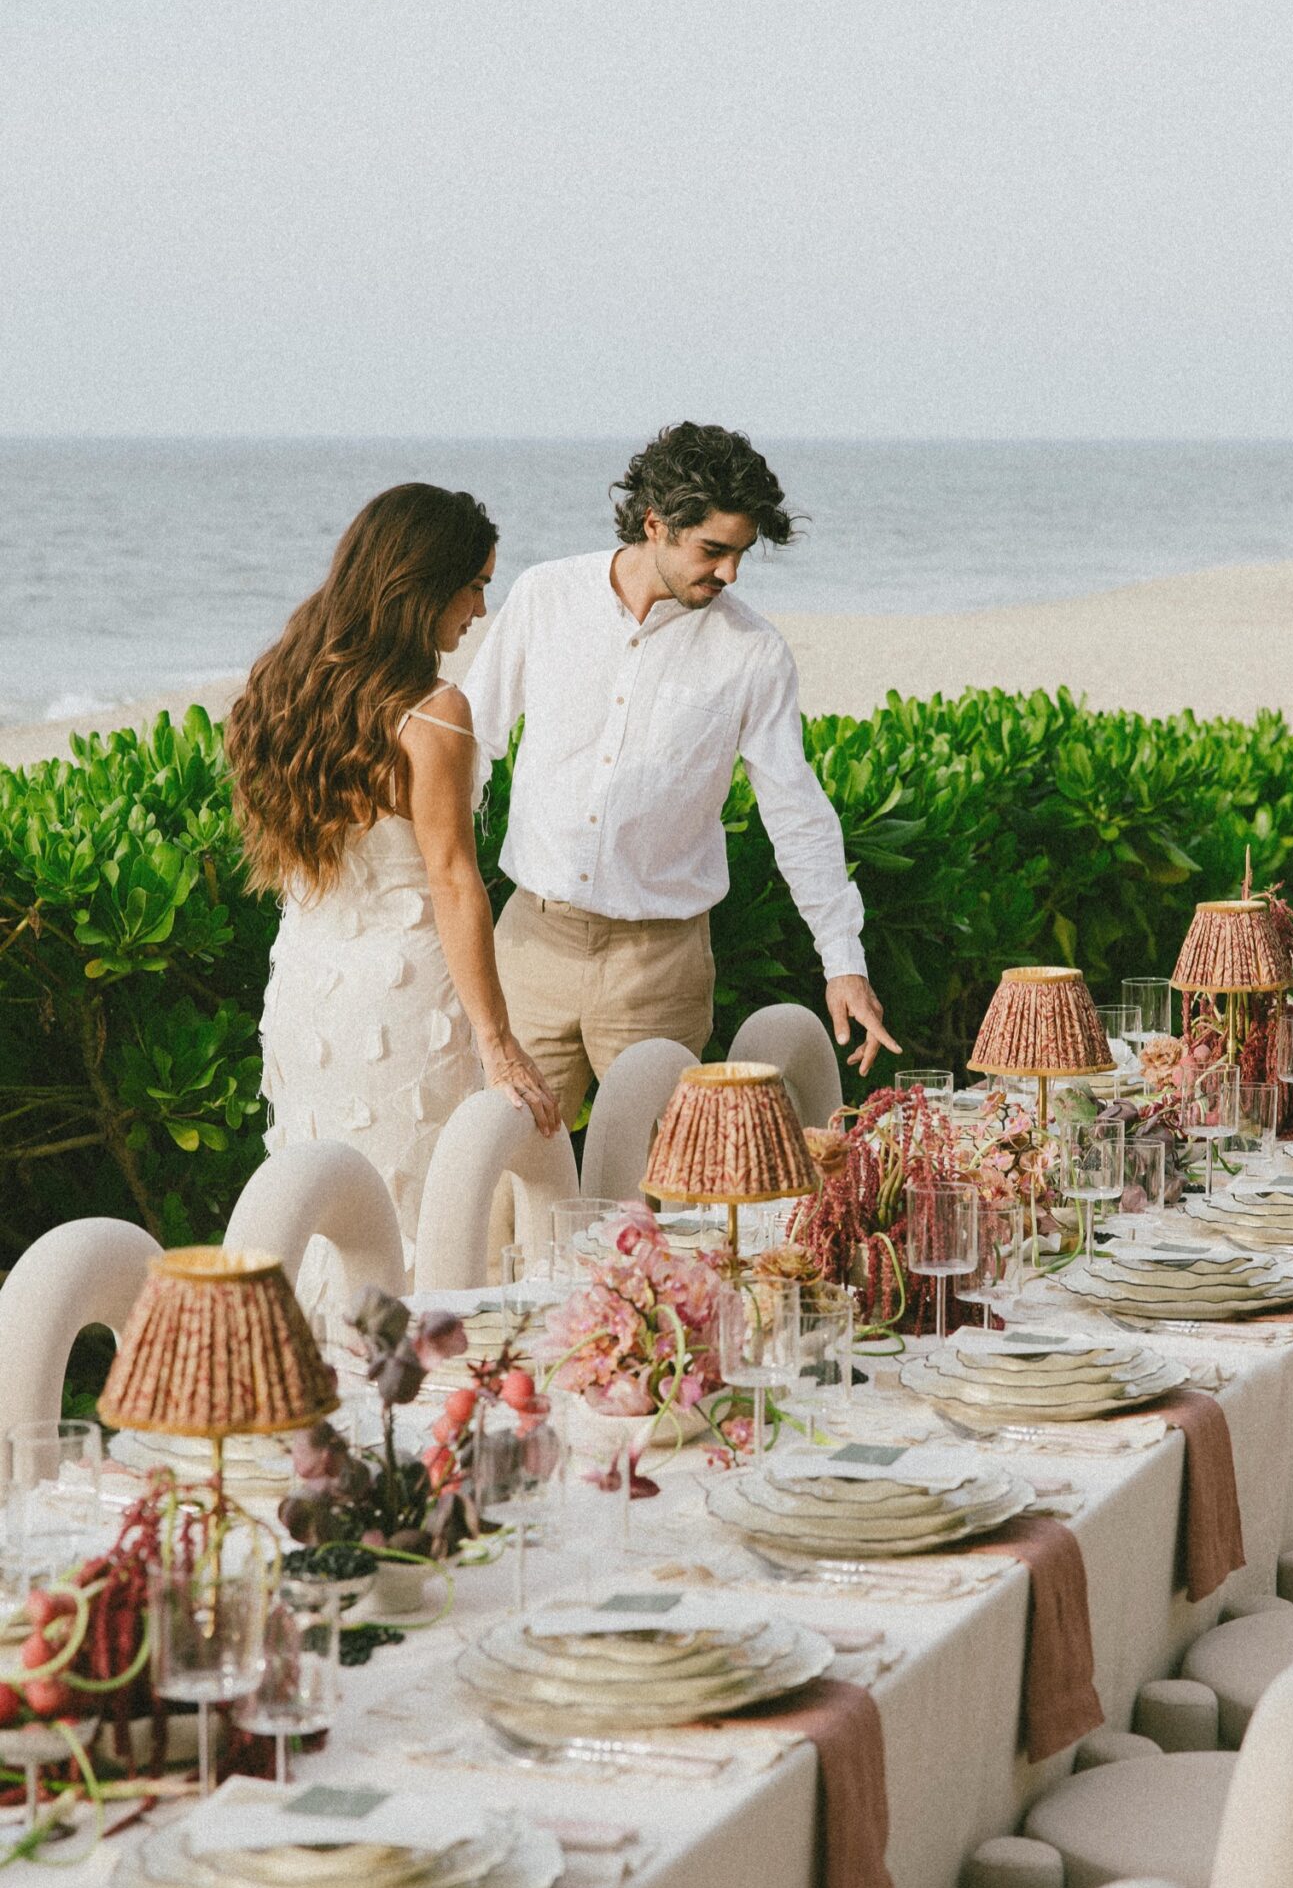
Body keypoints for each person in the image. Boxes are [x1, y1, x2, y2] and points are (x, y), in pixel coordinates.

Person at [462, 421, 899, 1121]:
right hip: (528, 949)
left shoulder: (752, 652)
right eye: (713, 550)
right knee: (509, 1179)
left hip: (659, 966)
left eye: (741, 554)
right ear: (655, 523)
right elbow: (469, 745)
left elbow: (796, 811)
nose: (728, 573)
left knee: (660, 1194)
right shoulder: (546, 597)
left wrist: (842, 961)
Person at [227, 483, 559, 1290]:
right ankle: (409, 1399)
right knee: (419, 1218)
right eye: (474, 584)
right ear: (421, 586)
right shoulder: (433, 711)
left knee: (324, 1210)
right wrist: (497, 1040)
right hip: (409, 1006)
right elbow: (452, 878)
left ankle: (322, 1385)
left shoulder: (286, 687)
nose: (481, 607)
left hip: (310, 992)